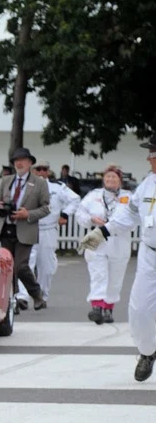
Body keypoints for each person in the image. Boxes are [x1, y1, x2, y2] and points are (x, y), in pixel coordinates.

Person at [79, 142, 156, 380]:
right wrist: (102, 232)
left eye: (153, 153)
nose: (149, 158)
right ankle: (147, 352)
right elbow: (129, 213)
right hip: (150, 254)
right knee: (140, 310)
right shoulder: (148, 183)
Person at [0, 147, 49, 312]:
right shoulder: (6, 181)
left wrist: (28, 214)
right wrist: (0, 207)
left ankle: (36, 294)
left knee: (20, 266)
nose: (19, 163)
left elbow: (46, 208)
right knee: (7, 267)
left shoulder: (39, 183)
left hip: (25, 229)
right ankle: (12, 301)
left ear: (30, 163)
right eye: (16, 160)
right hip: (6, 228)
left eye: (22, 160)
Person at [15, 161, 78, 309]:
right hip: (29, 227)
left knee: (46, 266)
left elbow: (75, 200)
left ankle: (41, 296)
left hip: (48, 229)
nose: (41, 172)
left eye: (44, 169)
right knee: (25, 264)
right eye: (38, 169)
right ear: (32, 171)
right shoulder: (24, 185)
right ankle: (22, 297)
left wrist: (65, 214)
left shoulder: (57, 187)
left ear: (48, 171)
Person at [74, 164, 132, 324]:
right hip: (97, 239)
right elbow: (80, 214)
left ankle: (108, 308)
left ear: (120, 180)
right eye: (108, 176)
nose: (110, 179)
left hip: (119, 240)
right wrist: (91, 219)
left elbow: (133, 218)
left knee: (115, 277)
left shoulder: (128, 197)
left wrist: (115, 225)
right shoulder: (94, 195)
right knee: (98, 274)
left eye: (114, 177)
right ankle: (97, 307)